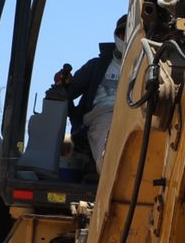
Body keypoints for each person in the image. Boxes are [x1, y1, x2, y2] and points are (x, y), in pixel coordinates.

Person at [52, 14, 128, 168]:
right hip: (104, 113)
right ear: (118, 35)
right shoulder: (97, 65)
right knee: (108, 140)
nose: (126, 36)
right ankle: (110, 174)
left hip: (138, 114)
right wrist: (62, 83)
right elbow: (70, 90)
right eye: (124, 32)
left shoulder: (151, 66)